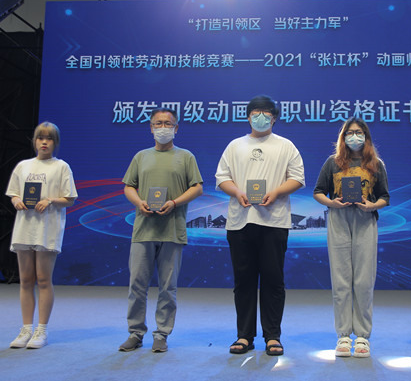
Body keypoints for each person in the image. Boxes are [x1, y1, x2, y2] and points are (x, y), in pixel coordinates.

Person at [215, 95, 305, 357]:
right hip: (240, 221)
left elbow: (297, 178)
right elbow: (222, 177)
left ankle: (272, 336)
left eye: (267, 113)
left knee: (273, 280)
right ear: (248, 116)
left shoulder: (286, 145)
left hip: (274, 221)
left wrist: (276, 192)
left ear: (274, 118)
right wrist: (237, 192)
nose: (261, 117)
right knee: (243, 281)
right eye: (256, 113)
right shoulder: (235, 145)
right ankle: (244, 335)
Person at [118, 107, 203, 353]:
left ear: (176, 128)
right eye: (158, 123)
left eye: (168, 123)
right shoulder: (141, 156)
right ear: (151, 127)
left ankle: (162, 334)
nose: (163, 127)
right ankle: (135, 333)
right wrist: (139, 203)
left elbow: (197, 188)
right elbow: (128, 186)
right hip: (143, 230)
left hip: (172, 230)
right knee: (137, 285)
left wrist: (174, 202)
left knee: (168, 288)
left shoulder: (185, 157)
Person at [313, 117, 389, 358]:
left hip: (365, 221)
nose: (354, 136)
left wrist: (372, 206)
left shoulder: (376, 164)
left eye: (359, 132)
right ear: (343, 137)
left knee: (364, 280)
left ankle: (363, 336)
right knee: (341, 280)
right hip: (339, 220)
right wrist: (332, 203)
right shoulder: (333, 163)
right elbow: (318, 192)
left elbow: (385, 197)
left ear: (366, 137)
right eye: (350, 132)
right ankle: (343, 335)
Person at [6, 122, 78, 349]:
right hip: (24, 227)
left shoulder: (61, 167)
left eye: (49, 139)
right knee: (26, 280)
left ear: (55, 143)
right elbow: (14, 194)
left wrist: (50, 200)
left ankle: (41, 330)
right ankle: (26, 329)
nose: (44, 142)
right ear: (35, 141)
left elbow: (69, 198)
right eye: (40, 138)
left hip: (47, 229)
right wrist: (16, 200)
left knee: (44, 279)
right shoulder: (23, 166)